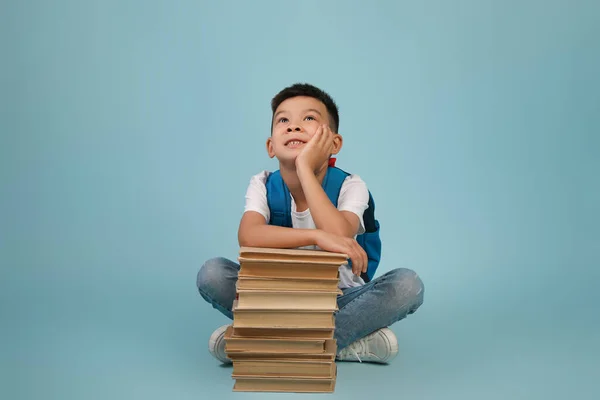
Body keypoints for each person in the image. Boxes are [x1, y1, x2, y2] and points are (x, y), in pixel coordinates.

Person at [197, 83, 424, 364]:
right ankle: (339, 342)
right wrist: (316, 236)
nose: (294, 127)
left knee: (406, 284)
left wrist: (305, 167)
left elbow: (339, 234)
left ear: (334, 144)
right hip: (276, 299)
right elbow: (249, 235)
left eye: (309, 119)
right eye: (283, 120)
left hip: (340, 301)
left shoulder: (351, 186)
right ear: (270, 146)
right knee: (212, 273)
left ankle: (260, 342)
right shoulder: (263, 184)